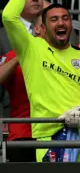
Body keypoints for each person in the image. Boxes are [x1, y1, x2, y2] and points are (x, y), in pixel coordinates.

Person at [2, 0, 80, 162]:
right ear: (42, 29)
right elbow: (8, 17)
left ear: (71, 24)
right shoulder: (32, 48)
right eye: (54, 19)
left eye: (65, 18)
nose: (60, 23)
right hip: (46, 136)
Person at [0, 13, 45, 163]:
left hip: (56, 133)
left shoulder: (64, 54)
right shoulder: (14, 55)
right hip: (23, 134)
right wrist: (23, 54)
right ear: (38, 30)